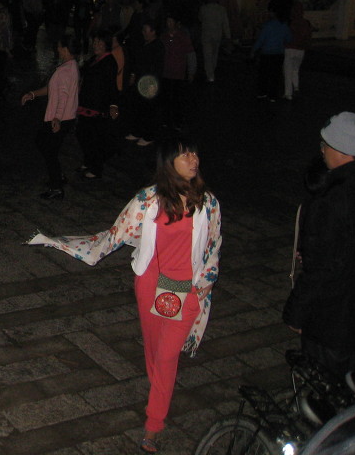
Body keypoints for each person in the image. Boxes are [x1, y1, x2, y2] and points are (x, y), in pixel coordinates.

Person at [27, 136, 221, 453]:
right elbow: (115, 234)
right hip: (151, 283)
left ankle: (154, 423)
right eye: (185, 155)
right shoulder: (148, 199)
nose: (193, 159)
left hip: (187, 289)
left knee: (167, 356)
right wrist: (66, 243)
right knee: (154, 350)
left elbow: (213, 246)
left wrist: (205, 285)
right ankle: (160, 390)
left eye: (194, 154)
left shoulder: (208, 203)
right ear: (168, 162)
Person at [283, 112, 355, 378]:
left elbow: (322, 267)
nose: (322, 150)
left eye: (325, 145)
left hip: (334, 318)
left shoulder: (332, 198)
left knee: (327, 382)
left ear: (341, 149)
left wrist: (297, 312)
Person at [21, 33, 79, 201]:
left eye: (59, 46)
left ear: (65, 49)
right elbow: (52, 89)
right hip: (63, 118)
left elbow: (63, 96)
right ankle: (57, 177)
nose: (57, 49)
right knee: (44, 144)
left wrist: (57, 118)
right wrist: (33, 94)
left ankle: (56, 187)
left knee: (49, 151)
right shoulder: (70, 67)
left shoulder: (66, 71)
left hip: (60, 119)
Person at [76, 31, 120, 181]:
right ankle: (88, 161)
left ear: (106, 44)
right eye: (94, 42)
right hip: (87, 103)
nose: (96, 45)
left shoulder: (109, 62)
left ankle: (95, 168)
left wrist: (113, 104)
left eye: (99, 43)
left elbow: (112, 86)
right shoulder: (94, 59)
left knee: (93, 138)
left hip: (97, 106)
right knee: (83, 134)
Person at [251, 9, 292, 101]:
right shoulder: (284, 25)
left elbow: (261, 40)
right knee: (275, 75)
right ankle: (273, 95)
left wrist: (253, 50)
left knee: (264, 74)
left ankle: (262, 92)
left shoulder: (267, 25)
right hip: (278, 54)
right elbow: (289, 39)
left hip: (266, 53)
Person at [198, 0, 230, 83]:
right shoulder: (222, 9)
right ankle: (211, 72)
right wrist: (228, 37)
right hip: (217, 36)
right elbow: (225, 24)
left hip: (206, 36)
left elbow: (200, 19)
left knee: (207, 55)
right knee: (214, 55)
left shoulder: (203, 8)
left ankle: (210, 75)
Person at [283, 2, 313, 100]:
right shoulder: (306, 23)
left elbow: (286, 35)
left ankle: (288, 93)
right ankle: (296, 87)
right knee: (295, 70)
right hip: (300, 50)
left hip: (290, 48)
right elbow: (308, 36)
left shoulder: (290, 22)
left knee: (287, 71)